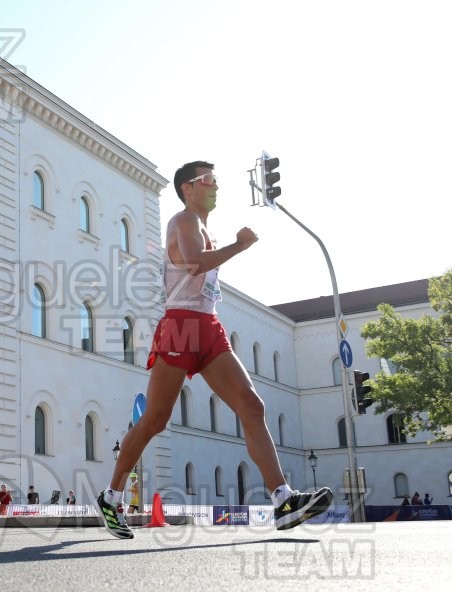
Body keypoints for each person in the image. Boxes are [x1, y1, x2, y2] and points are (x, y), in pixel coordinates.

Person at [95, 161, 333, 539]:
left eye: (216, 180)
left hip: (208, 326)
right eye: (209, 180)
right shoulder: (183, 221)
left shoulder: (205, 227)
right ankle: (111, 496)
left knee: (252, 406)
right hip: (180, 327)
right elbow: (192, 264)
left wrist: (229, 246)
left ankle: (282, 499)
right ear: (188, 188)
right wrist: (239, 246)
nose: (216, 186)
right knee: (155, 420)